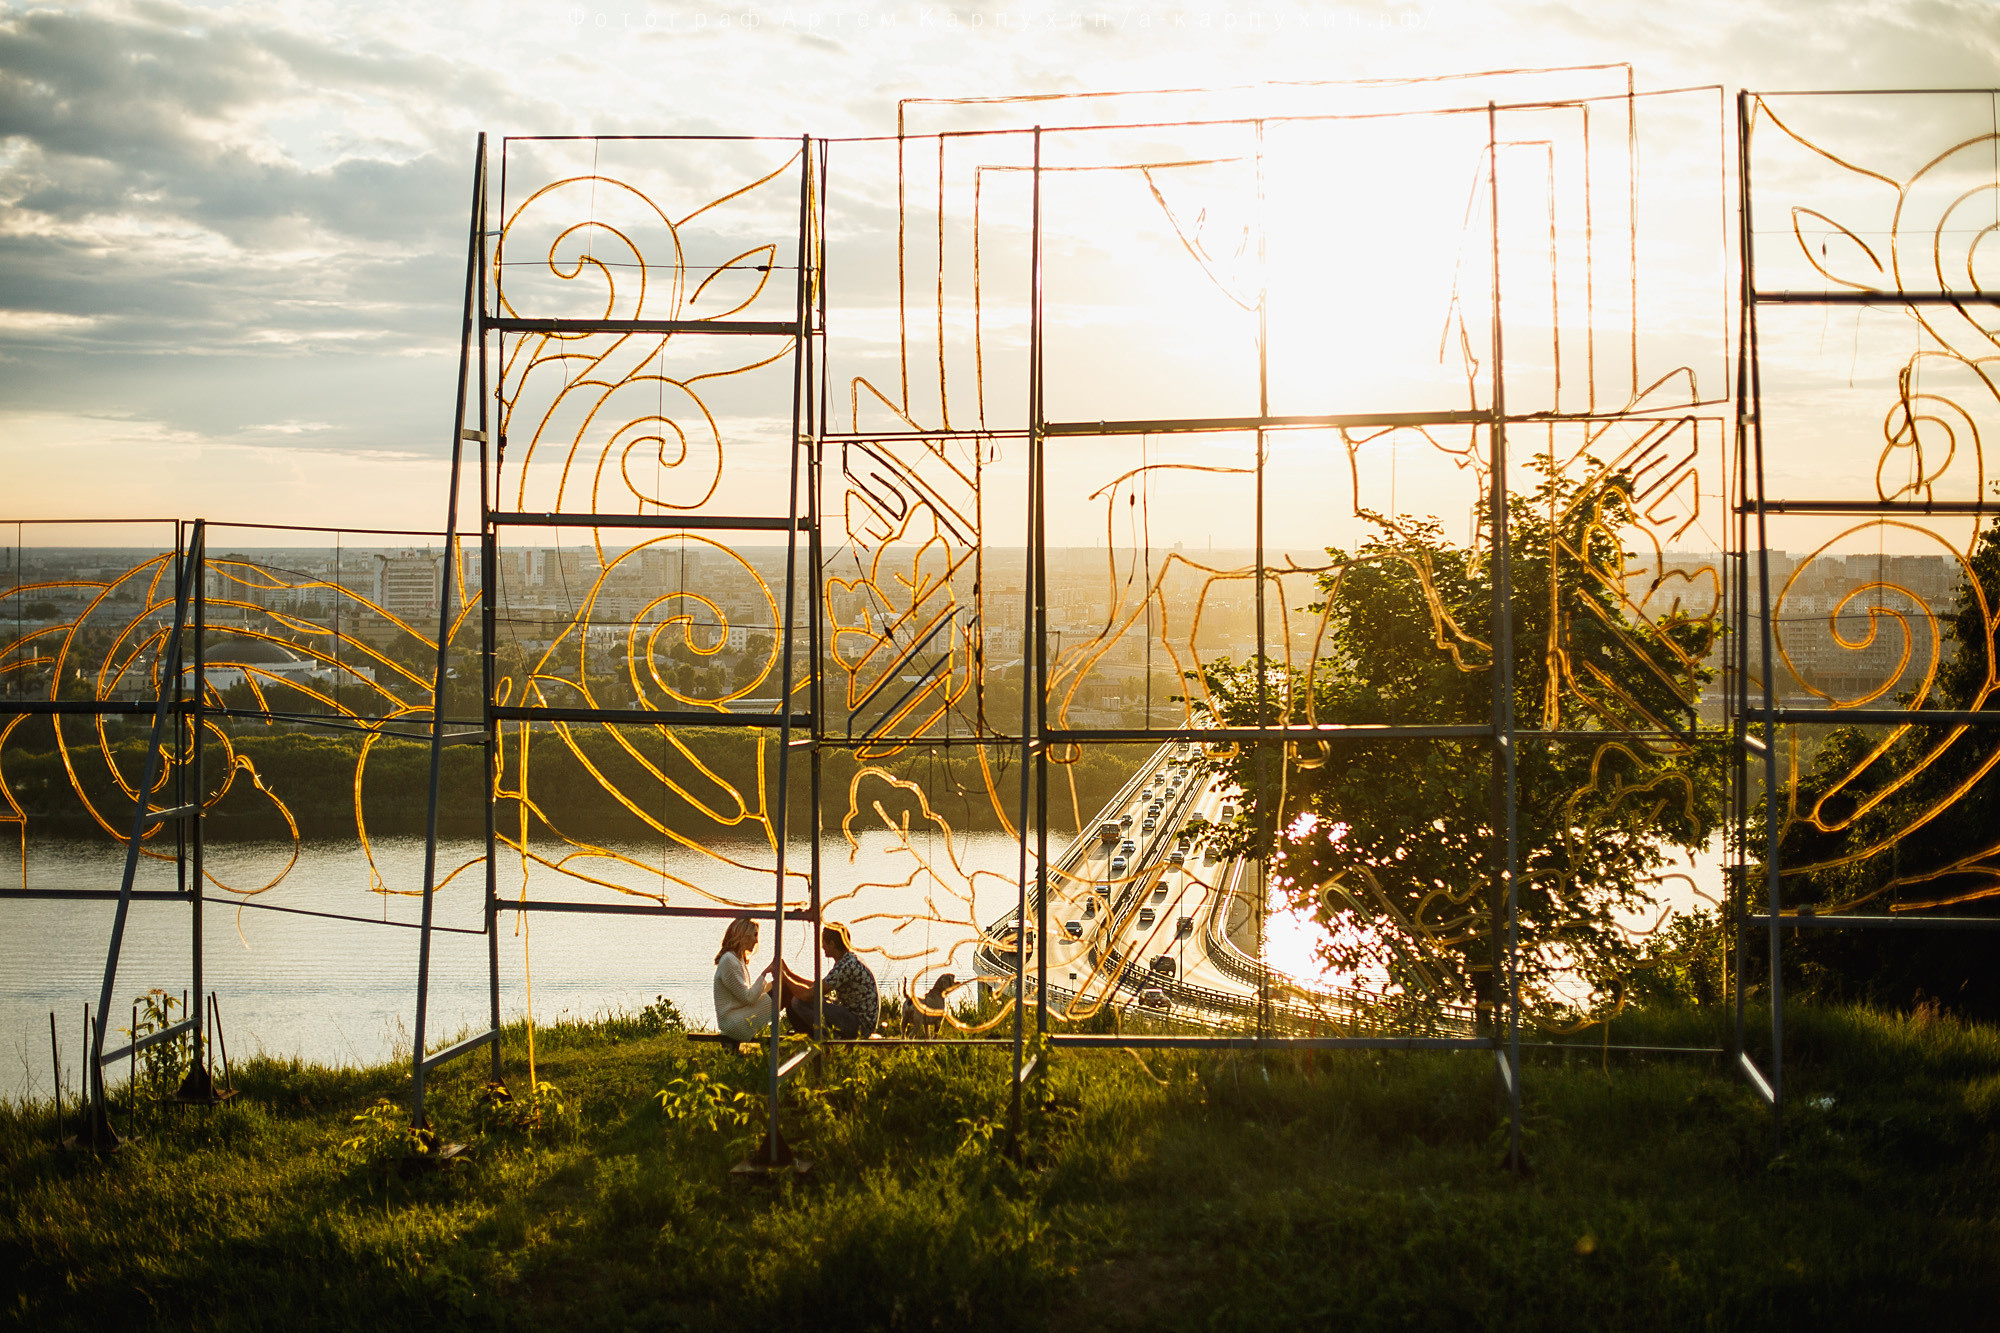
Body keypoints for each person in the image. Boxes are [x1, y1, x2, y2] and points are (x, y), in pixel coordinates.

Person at [784, 921, 879, 1040]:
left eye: (823, 942)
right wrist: (789, 974)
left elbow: (808, 995)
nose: (822, 946)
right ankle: (822, 1036)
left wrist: (784, 977)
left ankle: (830, 1040)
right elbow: (818, 987)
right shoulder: (847, 960)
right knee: (806, 998)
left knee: (798, 1002)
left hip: (860, 1026)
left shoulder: (846, 966)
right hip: (855, 1016)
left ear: (832, 944)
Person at [712, 916, 776, 1041]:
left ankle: (804, 1035)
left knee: (782, 986)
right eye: (754, 935)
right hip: (733, 1023)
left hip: (738, 1016)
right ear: (743, 936)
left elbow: (747, 996)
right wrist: (765, 973)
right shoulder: (729, 961)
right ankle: (807, 1036)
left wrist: (775, 983)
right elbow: (748, 998)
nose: (756, 941)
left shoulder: (737, 959)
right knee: (783, 990)